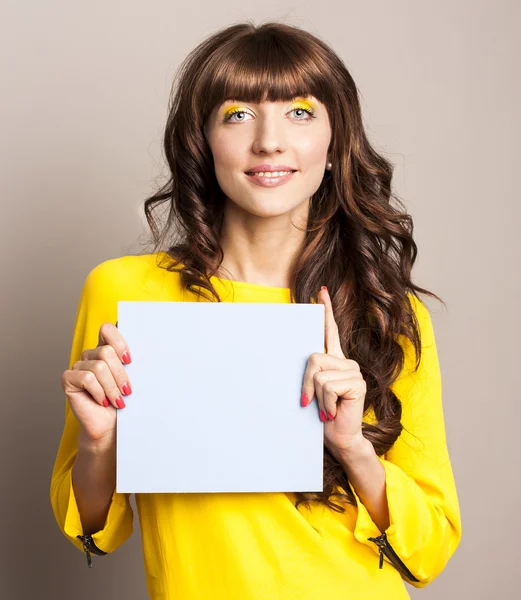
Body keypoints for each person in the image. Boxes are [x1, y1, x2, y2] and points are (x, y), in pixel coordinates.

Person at [50, 21, 462, 599]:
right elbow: (93, 530)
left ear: (335, 138)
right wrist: (99, 444)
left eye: (300, 111)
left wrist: (352, 448)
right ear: (203, 139)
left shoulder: (384, 309)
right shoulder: (125, 292)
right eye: (237, 114)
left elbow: (430, 550)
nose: (269, 141)